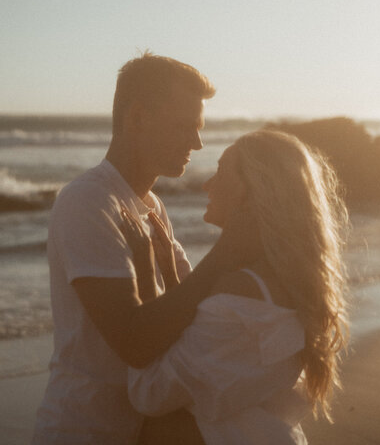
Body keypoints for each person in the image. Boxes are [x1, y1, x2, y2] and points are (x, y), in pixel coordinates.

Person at [32, 53, 256, 444]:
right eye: (185, 126)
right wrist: (223, 254)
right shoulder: (88, 201)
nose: (198, 142)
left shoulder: (152, 205)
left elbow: (187, 313)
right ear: (138, 118)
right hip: (84, 429)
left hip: (142, 429)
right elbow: (135, 342)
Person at [126, 129, 349, 444]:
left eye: (220, 171)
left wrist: (146, 272)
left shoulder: (239, 290)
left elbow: (150, 393)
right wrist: (170, 274)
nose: (207, 184)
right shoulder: (293, 283)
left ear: (252, 189)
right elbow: (219, 362)